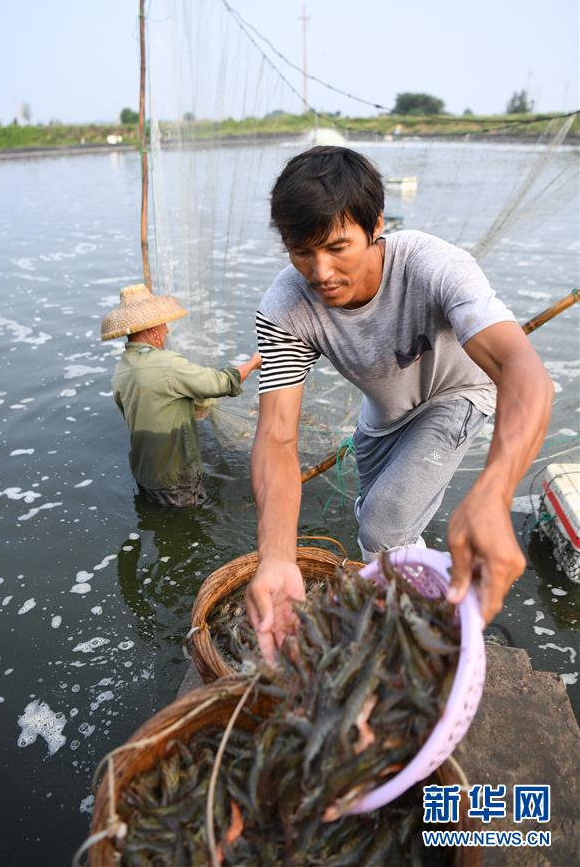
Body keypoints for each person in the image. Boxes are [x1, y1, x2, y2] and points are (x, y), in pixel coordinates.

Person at [245, 146, 553, 662]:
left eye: (337, 247)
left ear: (376, 226)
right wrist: (276, 554)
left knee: (384, 522)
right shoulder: (284, 309)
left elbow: (525, 373)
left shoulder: (434, 266)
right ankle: (414, 610)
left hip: (457, 393)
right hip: (383, 418)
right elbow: (277, 435)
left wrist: (496, 492)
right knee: (376, 527)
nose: (320, 272)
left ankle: (442, 633)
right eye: (302, 253)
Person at [102, 283, 261, 506]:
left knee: (161, 525)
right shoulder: (165, 364)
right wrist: (253, 363)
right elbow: (220, 382)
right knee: (189, 523)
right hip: (175, 478)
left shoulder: (122, 368)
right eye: (164, 323)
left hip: (144, 472)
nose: (167, 329)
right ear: (152, 328)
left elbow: (154, 404)